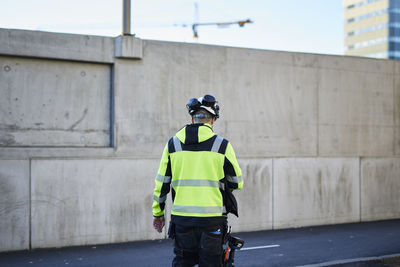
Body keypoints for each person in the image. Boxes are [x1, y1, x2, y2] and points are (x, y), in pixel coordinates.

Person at [152, 94, 243, 267]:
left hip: (182, 220)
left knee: (182, 263)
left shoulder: (173, 144)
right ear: (213, 120)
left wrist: (158, 214)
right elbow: (237, 182)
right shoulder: (222, 145)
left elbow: (161, 184)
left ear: (192, 118)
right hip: (212, 220)